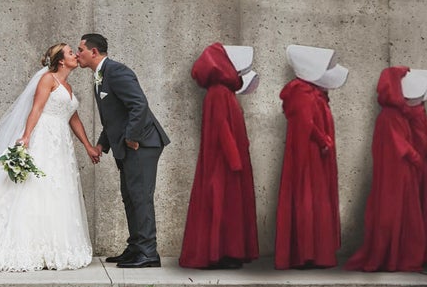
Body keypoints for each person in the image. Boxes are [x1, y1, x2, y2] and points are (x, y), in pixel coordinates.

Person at [0, 43, 100, 271]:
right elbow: (36, 109)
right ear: (61, 60)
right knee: (37, 187)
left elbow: (72, 118)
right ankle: (30, 246)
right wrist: (26, 136)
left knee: (58, 189)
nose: (75, 55)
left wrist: (88, 146)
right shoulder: (48, 79)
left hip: (61, 142)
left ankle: (53, 245)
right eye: (70, 52)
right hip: (44, 137)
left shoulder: (68, 85)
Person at [76, 33, 170, 268]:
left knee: (141, 198)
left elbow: (139, 104)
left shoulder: (116, 71)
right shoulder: (100, 76)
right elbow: (114, 118)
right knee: (130, 198)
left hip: (143, 145)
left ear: (93, 52)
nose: (78, 55)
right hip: (127, 147)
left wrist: (131, 138)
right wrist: (101, 145)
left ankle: (149, 253)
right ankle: (136, 247)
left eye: (80, 50)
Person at [179, 43, 259, 269]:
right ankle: (219, 253)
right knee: (222, 203)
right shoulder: (219, 93)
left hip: (228, 160)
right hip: (223, 163)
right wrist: (235, 159)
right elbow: (222, 128)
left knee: (226, 205)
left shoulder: (224, 92)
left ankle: (225, 252)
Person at [345, 67, 427, 272]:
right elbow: (402, 146)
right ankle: (398, 257)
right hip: (399, 174)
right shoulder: (391, 116)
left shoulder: (394, 114)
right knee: (400, 213)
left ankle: (399, 256)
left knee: (402, 213)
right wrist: (417, 161)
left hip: (399, 172)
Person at [275, 44, 348, 270]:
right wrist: (323, 140)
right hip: (308, 159)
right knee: (307, 200)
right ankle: (306, 252)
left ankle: (314, 251)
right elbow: (306, 124)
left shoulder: (312, 93)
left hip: (317, 158)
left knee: (315, 202)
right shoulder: (302, 93)